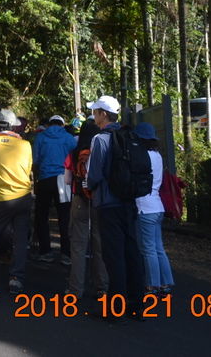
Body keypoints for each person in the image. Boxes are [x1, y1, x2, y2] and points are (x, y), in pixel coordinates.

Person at [85, 95, 146, 320]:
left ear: (103, 114)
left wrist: (88, 185)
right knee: (132, 253)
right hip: (129, 202)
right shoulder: (130, 135)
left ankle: (115, 309)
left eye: (95, 112)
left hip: (108, 204)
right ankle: (136, 304)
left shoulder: (100, 139)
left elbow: (94, 175)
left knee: (114, 257)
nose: (93, 116)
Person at [0, 108, 34, 293]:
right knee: (20, 239)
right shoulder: (25, 145)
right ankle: (16, 278)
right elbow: (27, 169)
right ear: (14, 126)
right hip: (22, 197)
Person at [64, 122, 108, 303]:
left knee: (78, 246)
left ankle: (75, 289)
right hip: (99, 201)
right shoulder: (101, 151)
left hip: (79, 200)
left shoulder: (74, 153)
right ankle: (102, 288)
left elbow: (67, 180)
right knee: (100, 246)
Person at [134, 122, 174, 296]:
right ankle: (166, 282)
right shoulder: (157, 156)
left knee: (148, 249)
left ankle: (152, 284)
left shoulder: (143, 156)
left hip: (145, 207)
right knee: (158, 247)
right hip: (157, 205)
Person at [33, 115, 77, 265]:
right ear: (62, 125)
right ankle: (66, 253)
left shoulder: (40, 137)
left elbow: (36, 160)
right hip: (63, 180)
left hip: (45, 179)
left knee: (42, 216)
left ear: (49, 124)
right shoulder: (69, 137)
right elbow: (75, 159)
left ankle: (46, 251)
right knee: (64, 217)